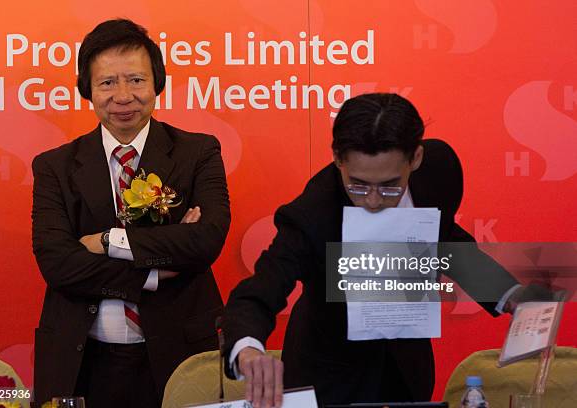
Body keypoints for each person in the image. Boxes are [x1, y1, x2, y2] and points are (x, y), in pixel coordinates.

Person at [220, 93, 520, 407]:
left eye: (390, 186)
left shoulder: (439, 172)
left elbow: (444, 239)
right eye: (358, 185)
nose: (374, 201)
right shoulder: (313, 214)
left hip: (406, 373)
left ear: (415, 159)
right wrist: (248, 350)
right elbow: (258, 292)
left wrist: (508, 293)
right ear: (338, 158)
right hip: (329, 378)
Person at [31, 19, 230, 407]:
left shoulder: (198, 153)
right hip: (83, 357)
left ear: (157, 83)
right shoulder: (54, 166)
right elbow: (57, 264)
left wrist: (108, 242)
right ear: (87, 89)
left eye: (136, 80)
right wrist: (153, 272)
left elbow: (205, 241)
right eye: (107, 83)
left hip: (179, 355)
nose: (123, 96)